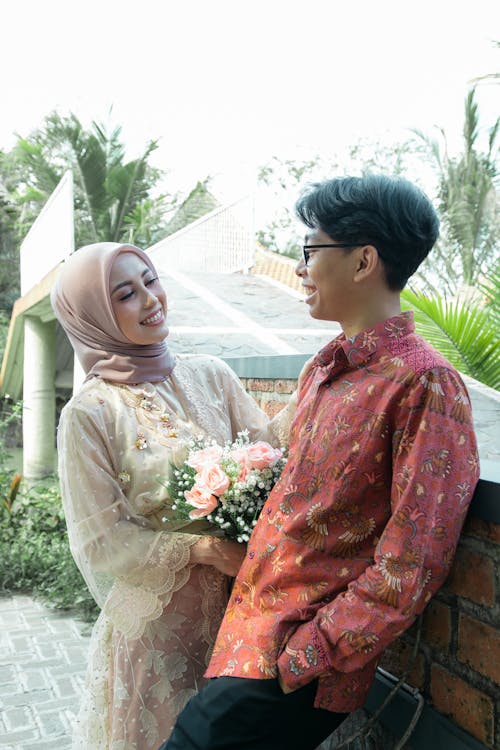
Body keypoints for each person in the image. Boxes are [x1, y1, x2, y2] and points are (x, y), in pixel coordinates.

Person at [161, 175, 480, 750]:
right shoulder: (324, 367)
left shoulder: (424, 383)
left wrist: (306, 653)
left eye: (311, 251)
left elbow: (414, 561)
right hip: (249, 633)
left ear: (363, 261)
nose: (301, 267)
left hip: (296, 664)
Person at [51, 242, 295, 749]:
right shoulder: (90, 414)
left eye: (150, 280)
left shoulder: (211, 374)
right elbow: (100, 541)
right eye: (125, 293)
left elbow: (271, 452)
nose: (150, 298)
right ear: (93, 315)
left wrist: (321, 383)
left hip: (240, 621)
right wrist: (203, 549)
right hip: (157, 637)